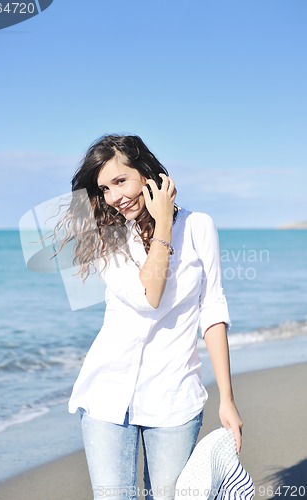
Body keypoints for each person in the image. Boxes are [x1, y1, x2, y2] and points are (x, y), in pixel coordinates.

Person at [63, 134, 243, 500]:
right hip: (107, 395)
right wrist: (163, 224)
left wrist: (227, 398)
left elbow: (212, 311)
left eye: (120, 181)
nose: (114, 196)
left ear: (146, 173)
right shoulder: (107, 236)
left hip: (175, 396)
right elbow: (150, 297)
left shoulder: (198, 226)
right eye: (104, 188)